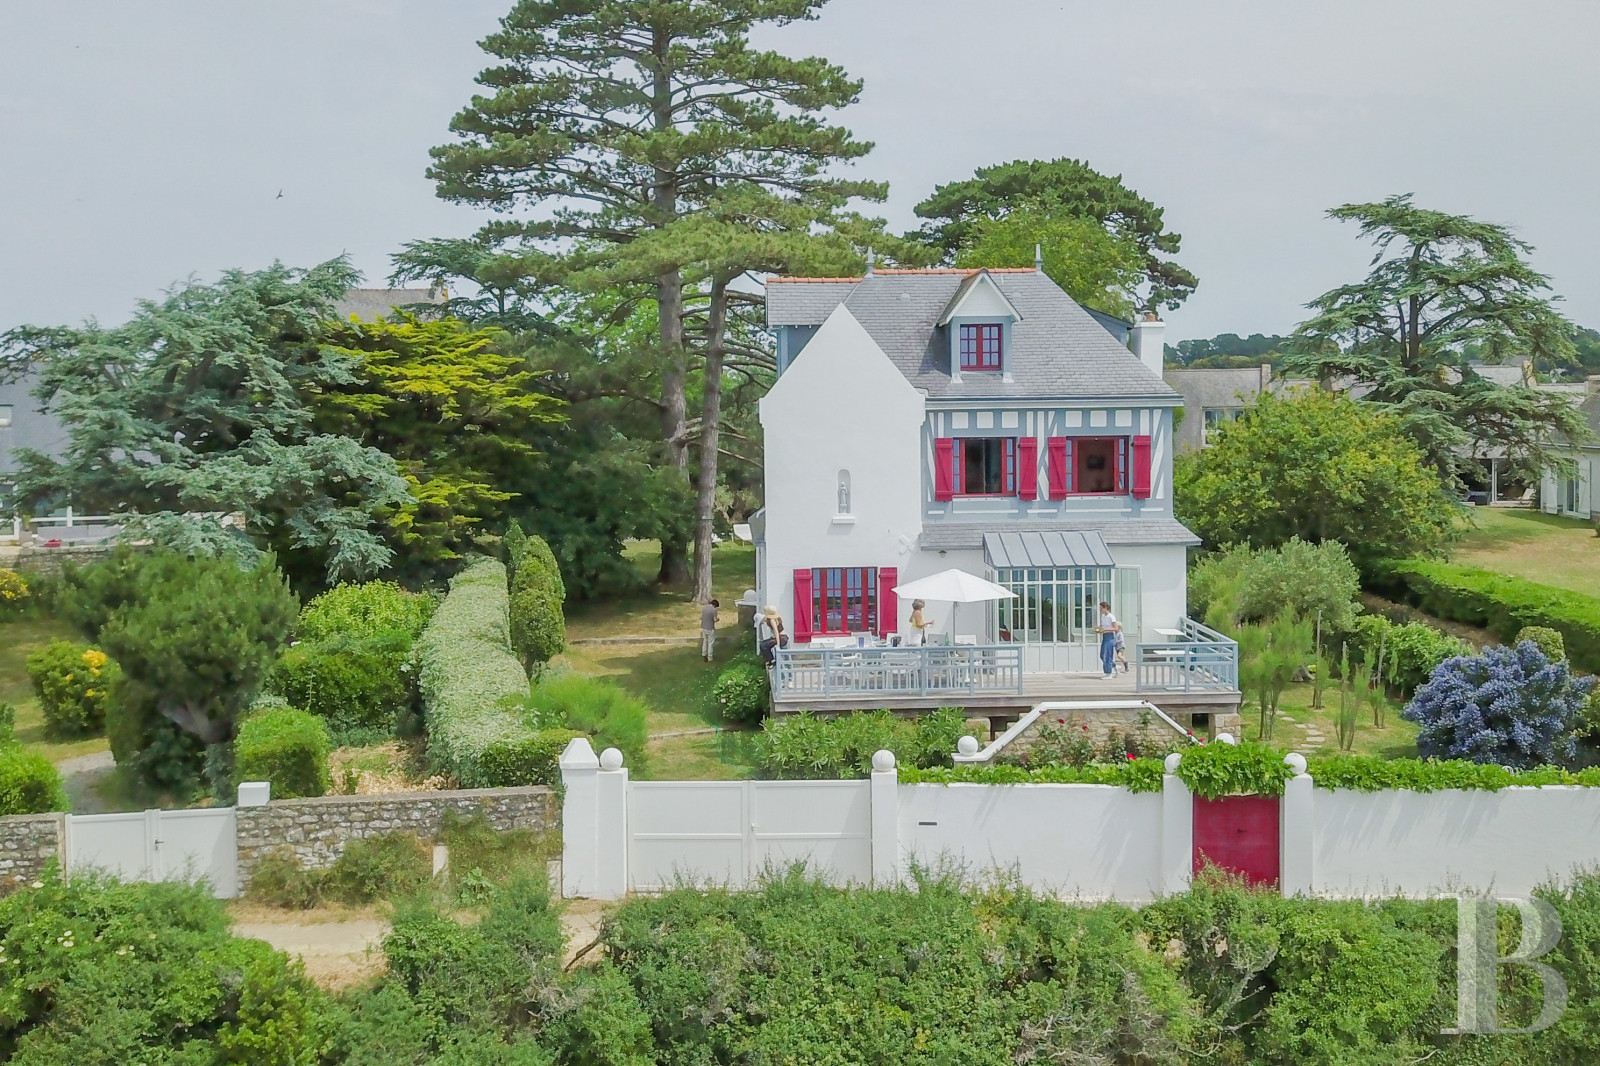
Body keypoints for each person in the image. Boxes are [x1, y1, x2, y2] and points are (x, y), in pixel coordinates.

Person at [1097, 600, 1118, 679]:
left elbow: (1115, 628)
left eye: (1101, 608)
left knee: (1107, 655)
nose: (1100, 610)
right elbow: (1103, 626)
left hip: (1110, 637)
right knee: (1102, 655)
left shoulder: (1111, 617)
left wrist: (1105, 630)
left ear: (1105, 608)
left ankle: (1109, 673)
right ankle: (1114, 666)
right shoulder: (1103, 616)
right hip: (1105, 636)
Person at [700, 598, 720, 662]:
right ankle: (710, 657)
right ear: (715, 605)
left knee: (705, 641)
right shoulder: (714, 610)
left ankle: (704, 654)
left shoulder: (704, 608)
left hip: (704, 627)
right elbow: (715, 619)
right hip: (710, 628)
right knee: (710, 643)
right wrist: (718, 619)